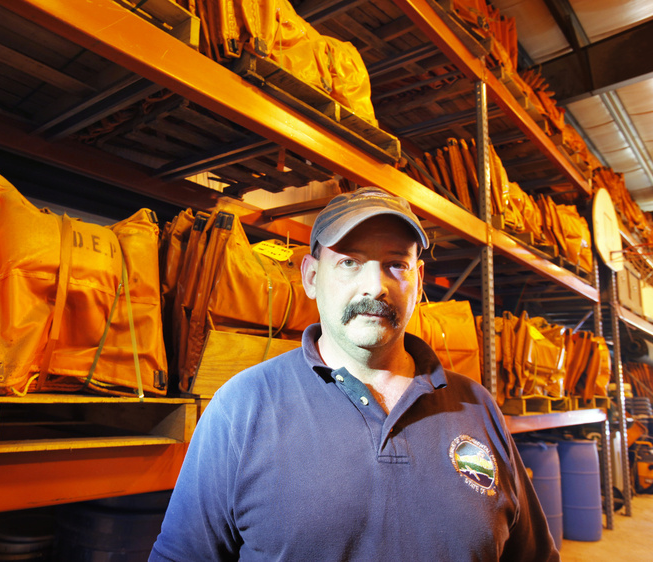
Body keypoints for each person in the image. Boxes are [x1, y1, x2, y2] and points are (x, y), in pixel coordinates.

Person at [150, 187, 559, 561]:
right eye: (349, 262)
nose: (375, 286)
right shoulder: (242, 408)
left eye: (396, 264)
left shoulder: (477, 408)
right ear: (311, 277)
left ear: (417, 283)